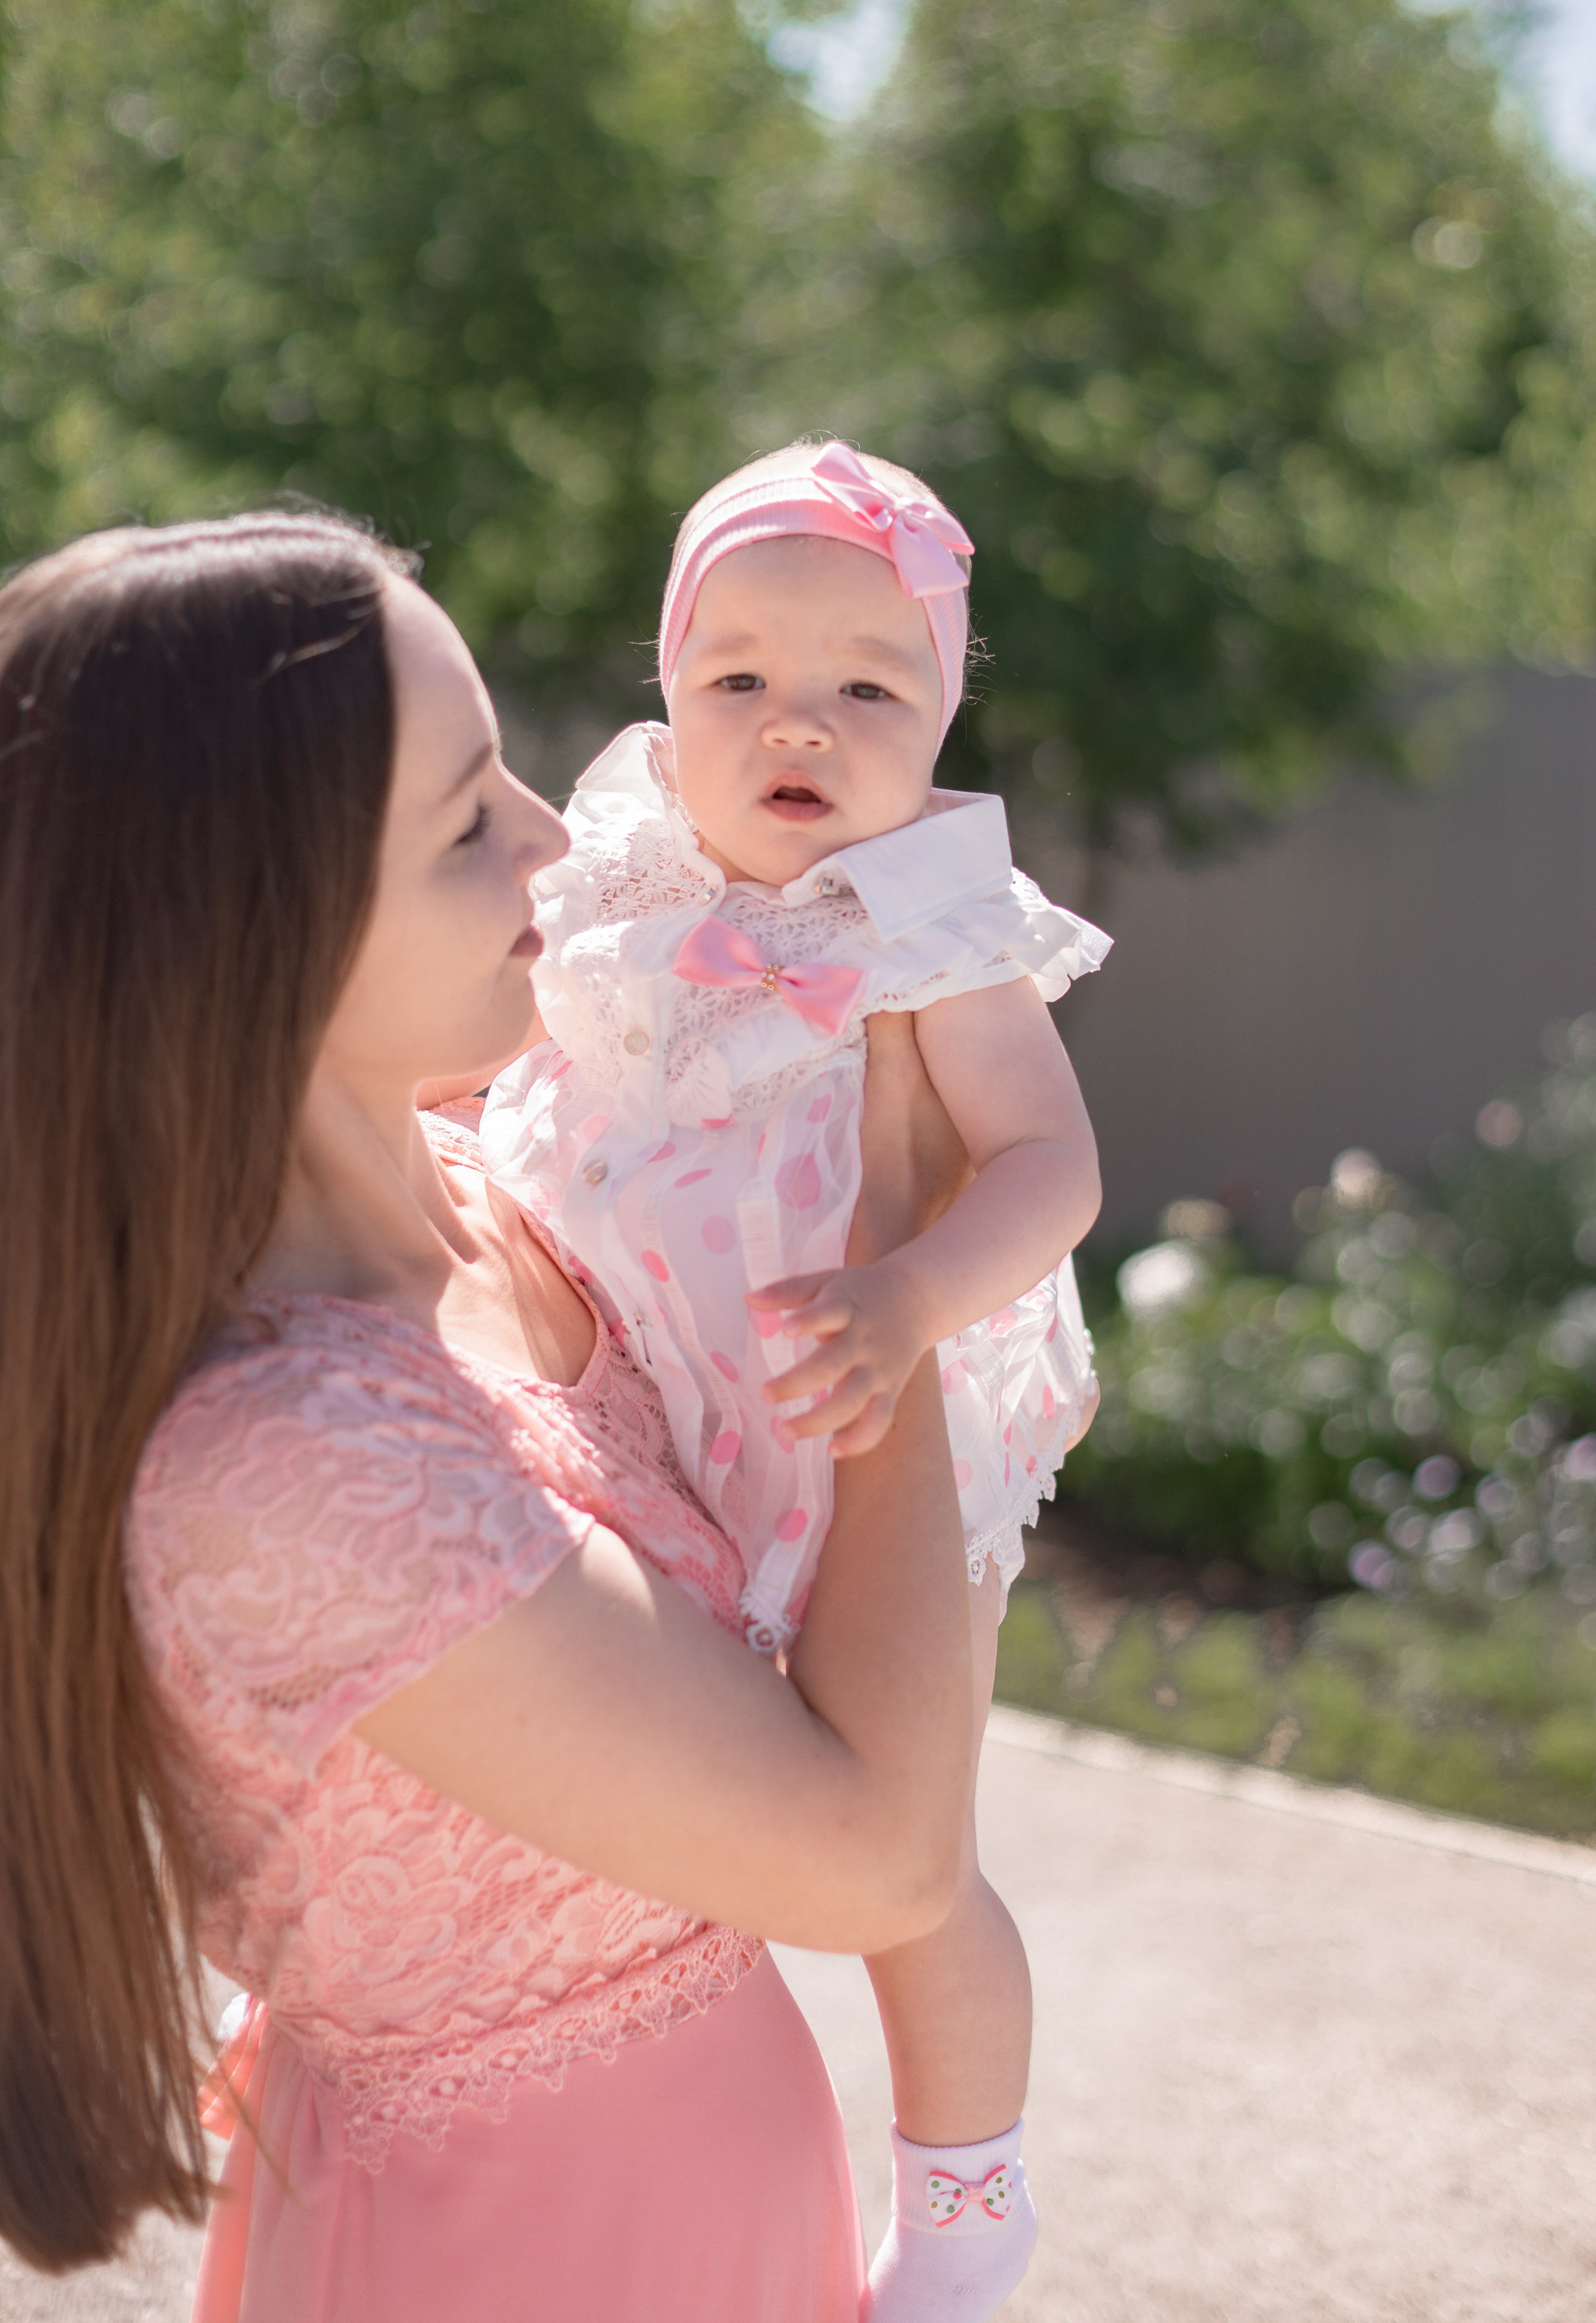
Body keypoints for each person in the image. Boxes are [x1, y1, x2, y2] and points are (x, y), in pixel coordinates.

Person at [0, 512, 978, 2322]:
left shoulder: (501, 1182)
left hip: (713, 2218)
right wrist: (899, 1269)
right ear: (245, 936)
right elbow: (879, 1857)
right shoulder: (288, 1462)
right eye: (466, 824)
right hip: (512, 2260)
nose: (555, 838)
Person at [479, 437, 1111, 2323]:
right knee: (669, 1789)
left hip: (884, 1426)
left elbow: (1052, 1168)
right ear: (667, 689)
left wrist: (911, 1296)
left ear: (943, 714)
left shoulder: (932, 931)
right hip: (670, 1400)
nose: (797, 723)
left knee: (908, 1855)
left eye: (868, 688)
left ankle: (969, 2205)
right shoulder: (619, 874)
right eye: (738, 675)